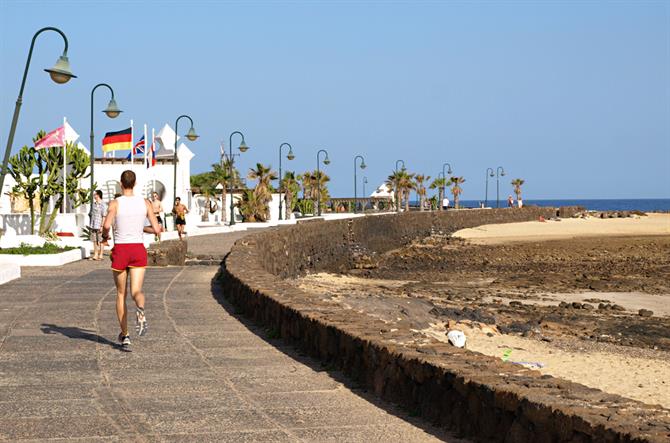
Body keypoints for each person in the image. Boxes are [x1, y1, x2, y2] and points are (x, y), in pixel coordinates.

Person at [102, 170, 161, 349]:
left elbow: (106, 225)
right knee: (136, 291)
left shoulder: (115, 203)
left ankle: (125, 335)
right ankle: (141, 309)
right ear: (134, 184)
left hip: (121, 249)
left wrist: (105, 236)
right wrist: (142, 229)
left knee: (121, 294)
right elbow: (157, 228)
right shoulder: (145, 203)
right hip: (137, 249)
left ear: (121, 183)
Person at [88, 190, 107, 261]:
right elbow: (90, 214)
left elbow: (104, 216)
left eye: (95, 194)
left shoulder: (103, 204)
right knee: (94, 240)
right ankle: (95, 254)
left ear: (98, 195)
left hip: (99, 224)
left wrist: (102, 226)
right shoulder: (93, 204)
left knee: (101, 240)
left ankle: (101, 254)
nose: (94, 196)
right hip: (93, 224)